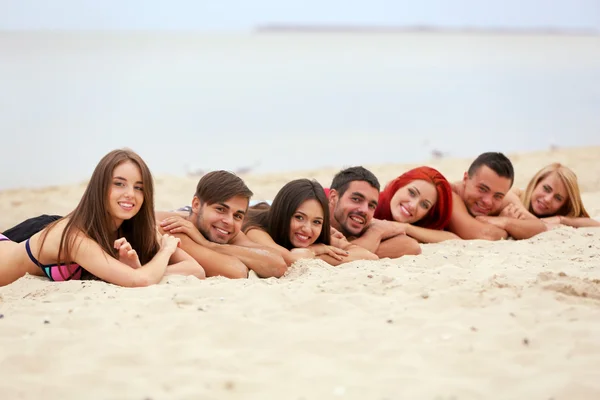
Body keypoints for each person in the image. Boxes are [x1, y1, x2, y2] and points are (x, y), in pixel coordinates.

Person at [0, 149, 205, 287]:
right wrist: (165, 252)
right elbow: (140, 279)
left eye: (139, 187)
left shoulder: (136, 227)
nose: (130, 194)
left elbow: (196, 270)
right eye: (119, 183)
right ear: (100, 187)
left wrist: (147, 270)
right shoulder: (72, 237)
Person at [158, 171, 287, 279]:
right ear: (196, 205)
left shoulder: (227, 233)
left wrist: (208, 244)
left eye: (237, 216)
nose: (229, 221)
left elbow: (278, 265)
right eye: (221, 209)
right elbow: (236, 270)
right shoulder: (173, 227)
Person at [242, 179, 378, 266]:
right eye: (299, 217)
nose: (307, 229)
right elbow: (290, 260)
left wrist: (311, 252)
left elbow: (368, 256)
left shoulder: (317, 235)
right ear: (284, 214)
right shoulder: (256, 230)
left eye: (317, 222)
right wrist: (315, 250)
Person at [327, 166, 422, 258]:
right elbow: (345, 254)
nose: (364, 210)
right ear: (333, 197)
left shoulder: (365, 224)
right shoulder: (316, 219)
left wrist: (372, 235)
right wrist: (376, 233)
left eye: (371, 206)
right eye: (356, 199)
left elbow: (411, 246)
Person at [448, 152, 546, 240]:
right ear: (465, 179)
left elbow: (538, 226)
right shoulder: (451, 194)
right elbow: (483, 234)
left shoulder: (505, 199)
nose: (488, 201)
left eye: (498, 196)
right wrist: (510, 229)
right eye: (482, 189)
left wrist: (504, 222)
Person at [501, 163, 599, 229]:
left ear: (564, 204)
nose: (548, 199)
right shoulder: (515, 195)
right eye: (546, 189)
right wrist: (541, 223)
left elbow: (594, 224)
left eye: (558, 198)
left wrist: (561, 220)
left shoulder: (561, 214)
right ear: (536, 183)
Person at [374, 166, 458, 243]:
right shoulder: (371, 205)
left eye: (424, 205)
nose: (413, 206)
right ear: (399, 185)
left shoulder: (420, 225)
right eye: (412, 193)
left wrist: (406, 228)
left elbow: (454, 239)